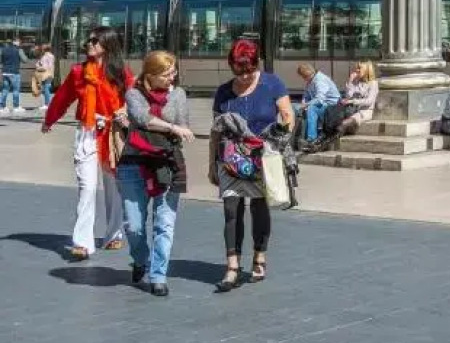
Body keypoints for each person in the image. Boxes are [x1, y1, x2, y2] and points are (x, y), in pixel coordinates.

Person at [42, 26, 132, 260]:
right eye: (89, 40)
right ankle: (82, 242)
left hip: (112, 135)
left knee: (114, 187)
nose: (89, 44)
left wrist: (127, 113)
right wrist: (49, 119)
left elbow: (135, 98)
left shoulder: (122, 73)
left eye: (95, 40)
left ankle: (113, 233)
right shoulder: (78, 72)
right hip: (87, 133)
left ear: (108, 45)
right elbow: (62, 98)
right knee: (87, 188)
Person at [209, 38, 292, 292]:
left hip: (261, 156)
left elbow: (288, 114)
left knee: (258, 207)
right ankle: (232, 266)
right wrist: (212, 164)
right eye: (238, 69)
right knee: (231, 211)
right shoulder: (223, 92)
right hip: (231, 159)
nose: (244, 75)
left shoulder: (271, 83)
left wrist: (282, 138)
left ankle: (259, 255)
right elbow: (216, 131)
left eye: (249, 69)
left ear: (256, 64)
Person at [116, 50, 193, 297]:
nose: (173, 77)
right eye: (167, 74)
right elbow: (143, 119)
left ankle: (158, 275)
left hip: (167, 163)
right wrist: (171, 128)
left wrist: (178, 129)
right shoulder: (134, 93)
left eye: (173, 72)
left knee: (164, 224)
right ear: (151, 75)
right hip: (134, 162)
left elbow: (184, 124)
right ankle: (140, 259)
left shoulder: (178, 94)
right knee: (135, 226)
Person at [295, 63, 341, 145]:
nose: (303, 79)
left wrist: (306, 105)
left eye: (303, 76)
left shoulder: (320, 80)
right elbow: (306, 94)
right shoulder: (310, 81)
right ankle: (297, 136)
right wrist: (304, 101)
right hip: (322, 104)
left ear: (306, 74)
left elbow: (320, 99)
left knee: (312, 109)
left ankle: (311, 138)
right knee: (295, 107)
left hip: (331, 106)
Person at [337, 61, 379, 137]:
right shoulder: (356, 82)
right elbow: (348, 96)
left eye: (359, 68)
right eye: (356, 68)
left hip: (364, 111)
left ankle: (334, 140)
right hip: (352, 110)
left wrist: (353, 101)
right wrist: (350, 81)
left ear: (367, 69)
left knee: (343, 124)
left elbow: (369, 101)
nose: (357, 70)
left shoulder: (373, 83)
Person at [0, 36, 22, 114]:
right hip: (14, 72)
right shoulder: (18, 50)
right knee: (15, 90)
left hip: (5, 72)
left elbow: (1, 60)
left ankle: (2, 107)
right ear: (15, 42)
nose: (19, 43)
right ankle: (16, 107)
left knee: (5, 90)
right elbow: (25, 60)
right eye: (19, 42)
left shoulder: (3, 50)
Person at [34, 43, 55, 108]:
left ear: (44, 49)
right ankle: (47, 103)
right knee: (44, 89)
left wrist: (38, 67)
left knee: (46, 89)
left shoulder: (48, 56)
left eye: (42, 48)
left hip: (47, 74)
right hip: (46, 74)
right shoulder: (46, 56)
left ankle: (47, 104)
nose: (41, 50)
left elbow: (46, 66)